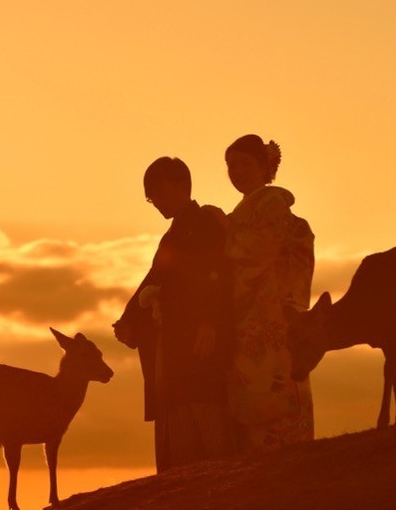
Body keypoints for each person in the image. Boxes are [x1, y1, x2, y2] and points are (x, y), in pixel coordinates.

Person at [113, 157, 236, 472]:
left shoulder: (206, 223)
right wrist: (129, 319)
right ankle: (183, 482)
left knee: (204, 403)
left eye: (161, 194)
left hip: (200, 335)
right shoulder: (174, 234)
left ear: (183, 186)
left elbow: (218, 275)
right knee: (177, 403)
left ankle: (217, 479)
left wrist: (209, 322)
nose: (157, 203)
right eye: (151, 198)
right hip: (173, 336)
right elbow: (154, 278)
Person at [223, 134, 315, 452]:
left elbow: (257, 248)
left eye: (245, 164)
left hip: (271, 312)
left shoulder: (273, 203)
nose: (237, 171)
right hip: (248, 316)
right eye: (231, 165)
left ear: (264, 167)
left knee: (277, 381)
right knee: (252, 390)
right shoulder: (239, 213)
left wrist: (225, 241)